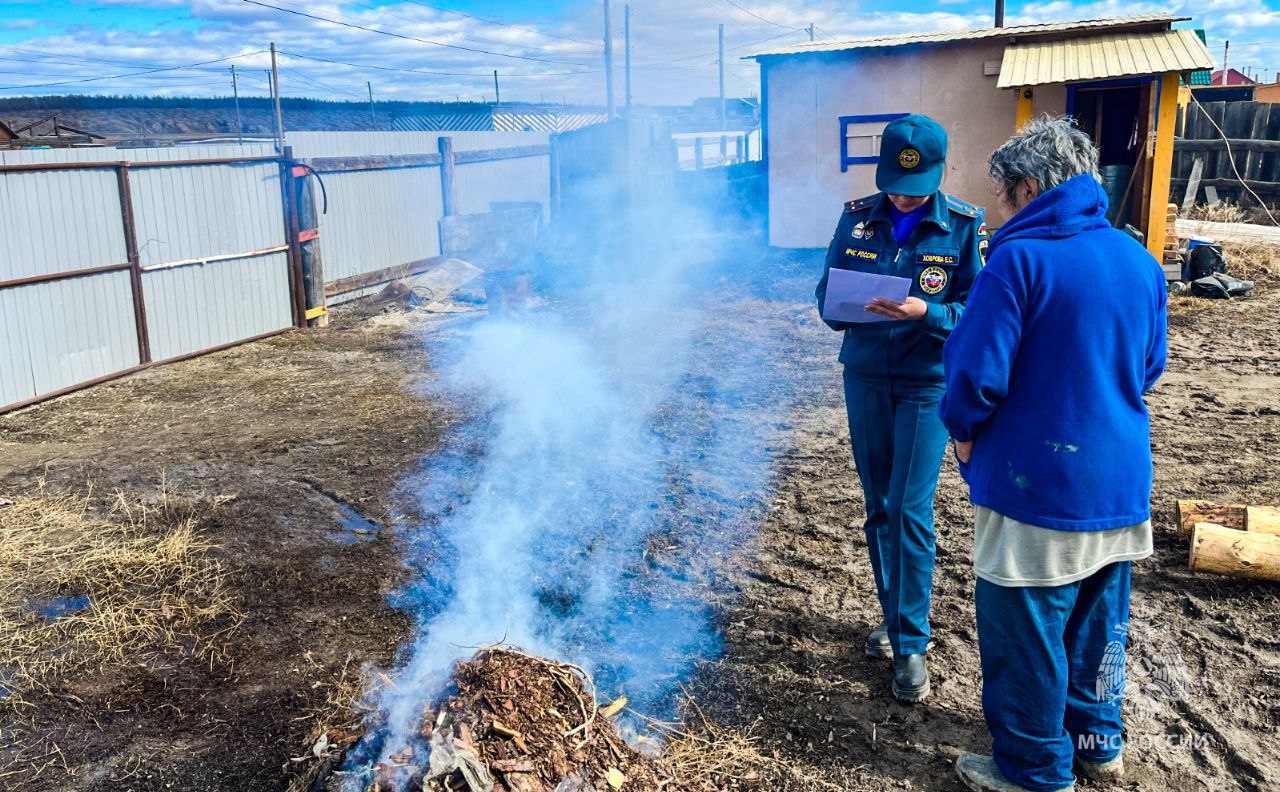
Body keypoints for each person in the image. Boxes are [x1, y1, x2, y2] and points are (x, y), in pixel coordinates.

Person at [940, 116, 1167, 791]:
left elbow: (974, 377)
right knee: (1099, 618)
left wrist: (964, 437)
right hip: (1120, 483)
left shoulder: (1018, 260)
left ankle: (1036, 771)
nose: (994, 209)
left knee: (1027, 632)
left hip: (1037, 483)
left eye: (1000, 194)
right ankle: (1099, 743)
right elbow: (1148, 367)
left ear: (1030, 188)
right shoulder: (1138, 258)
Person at [816, 114, 987, 702]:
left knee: (911, 509)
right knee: (878, 506)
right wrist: (846, 305)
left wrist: (926, 314)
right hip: (864, 377)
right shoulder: (856, 218)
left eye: (914, 186)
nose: (902, 194)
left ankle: (911, 642)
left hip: (924, 385)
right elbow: (825, 297)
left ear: (939, 174)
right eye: (893, 181)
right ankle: (892, 620)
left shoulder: (963, 227)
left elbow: (976, 315)